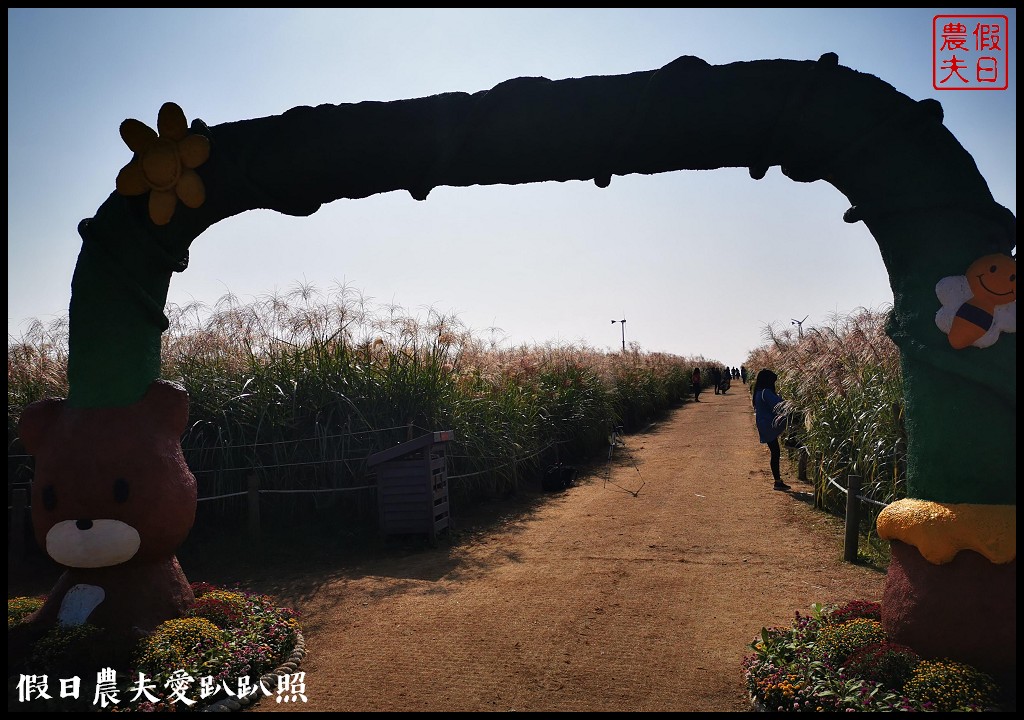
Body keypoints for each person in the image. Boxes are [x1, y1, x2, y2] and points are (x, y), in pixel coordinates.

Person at [752, 368, 790, 491]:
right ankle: (792, 440)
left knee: (775, 452)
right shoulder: (766, 392)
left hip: (764, 425)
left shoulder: (758, 392)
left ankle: (778, 481)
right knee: (794, 419)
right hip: (770, 425)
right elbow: (779, 405)